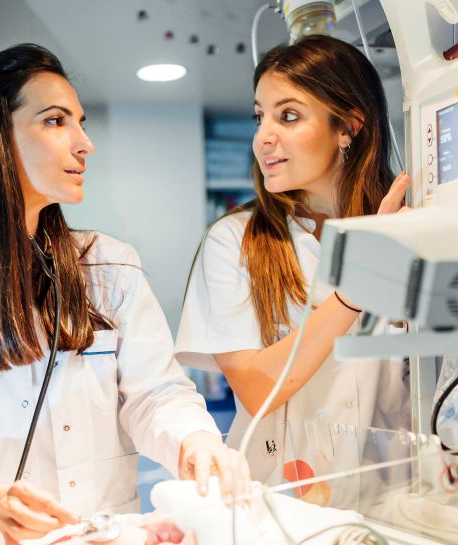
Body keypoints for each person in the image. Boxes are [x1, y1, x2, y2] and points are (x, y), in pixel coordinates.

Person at [0, 43, 249, 545]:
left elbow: (157, 395)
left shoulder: (109, 267)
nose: (85, 143)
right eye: (56, 121)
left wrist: (196, 441)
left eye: (80, 122)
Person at [176, 35, 412, 507]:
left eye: (287, 115)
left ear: (347, 126)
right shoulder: (236, 240)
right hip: (274, 504)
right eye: (259, 116)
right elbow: (257, 385)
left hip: (396, 499)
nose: (264, 136)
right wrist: (355, 287)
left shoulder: (409, 227)